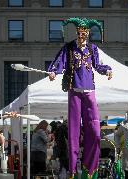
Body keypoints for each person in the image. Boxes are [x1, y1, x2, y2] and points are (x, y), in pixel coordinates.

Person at [47, 17, 112, 179]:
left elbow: (98, 65)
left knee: (95, 131)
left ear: (89, 33)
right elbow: (59, 63)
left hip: (89, 90)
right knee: (74, 131)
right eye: (79, 32)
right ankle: (73, 170)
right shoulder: (69, 48)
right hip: (74, 90)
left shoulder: (93, 49)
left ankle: (90, 169)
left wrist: (108, 70)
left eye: (85, 32)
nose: (82, 35)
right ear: (76, 33)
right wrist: (53, 71)